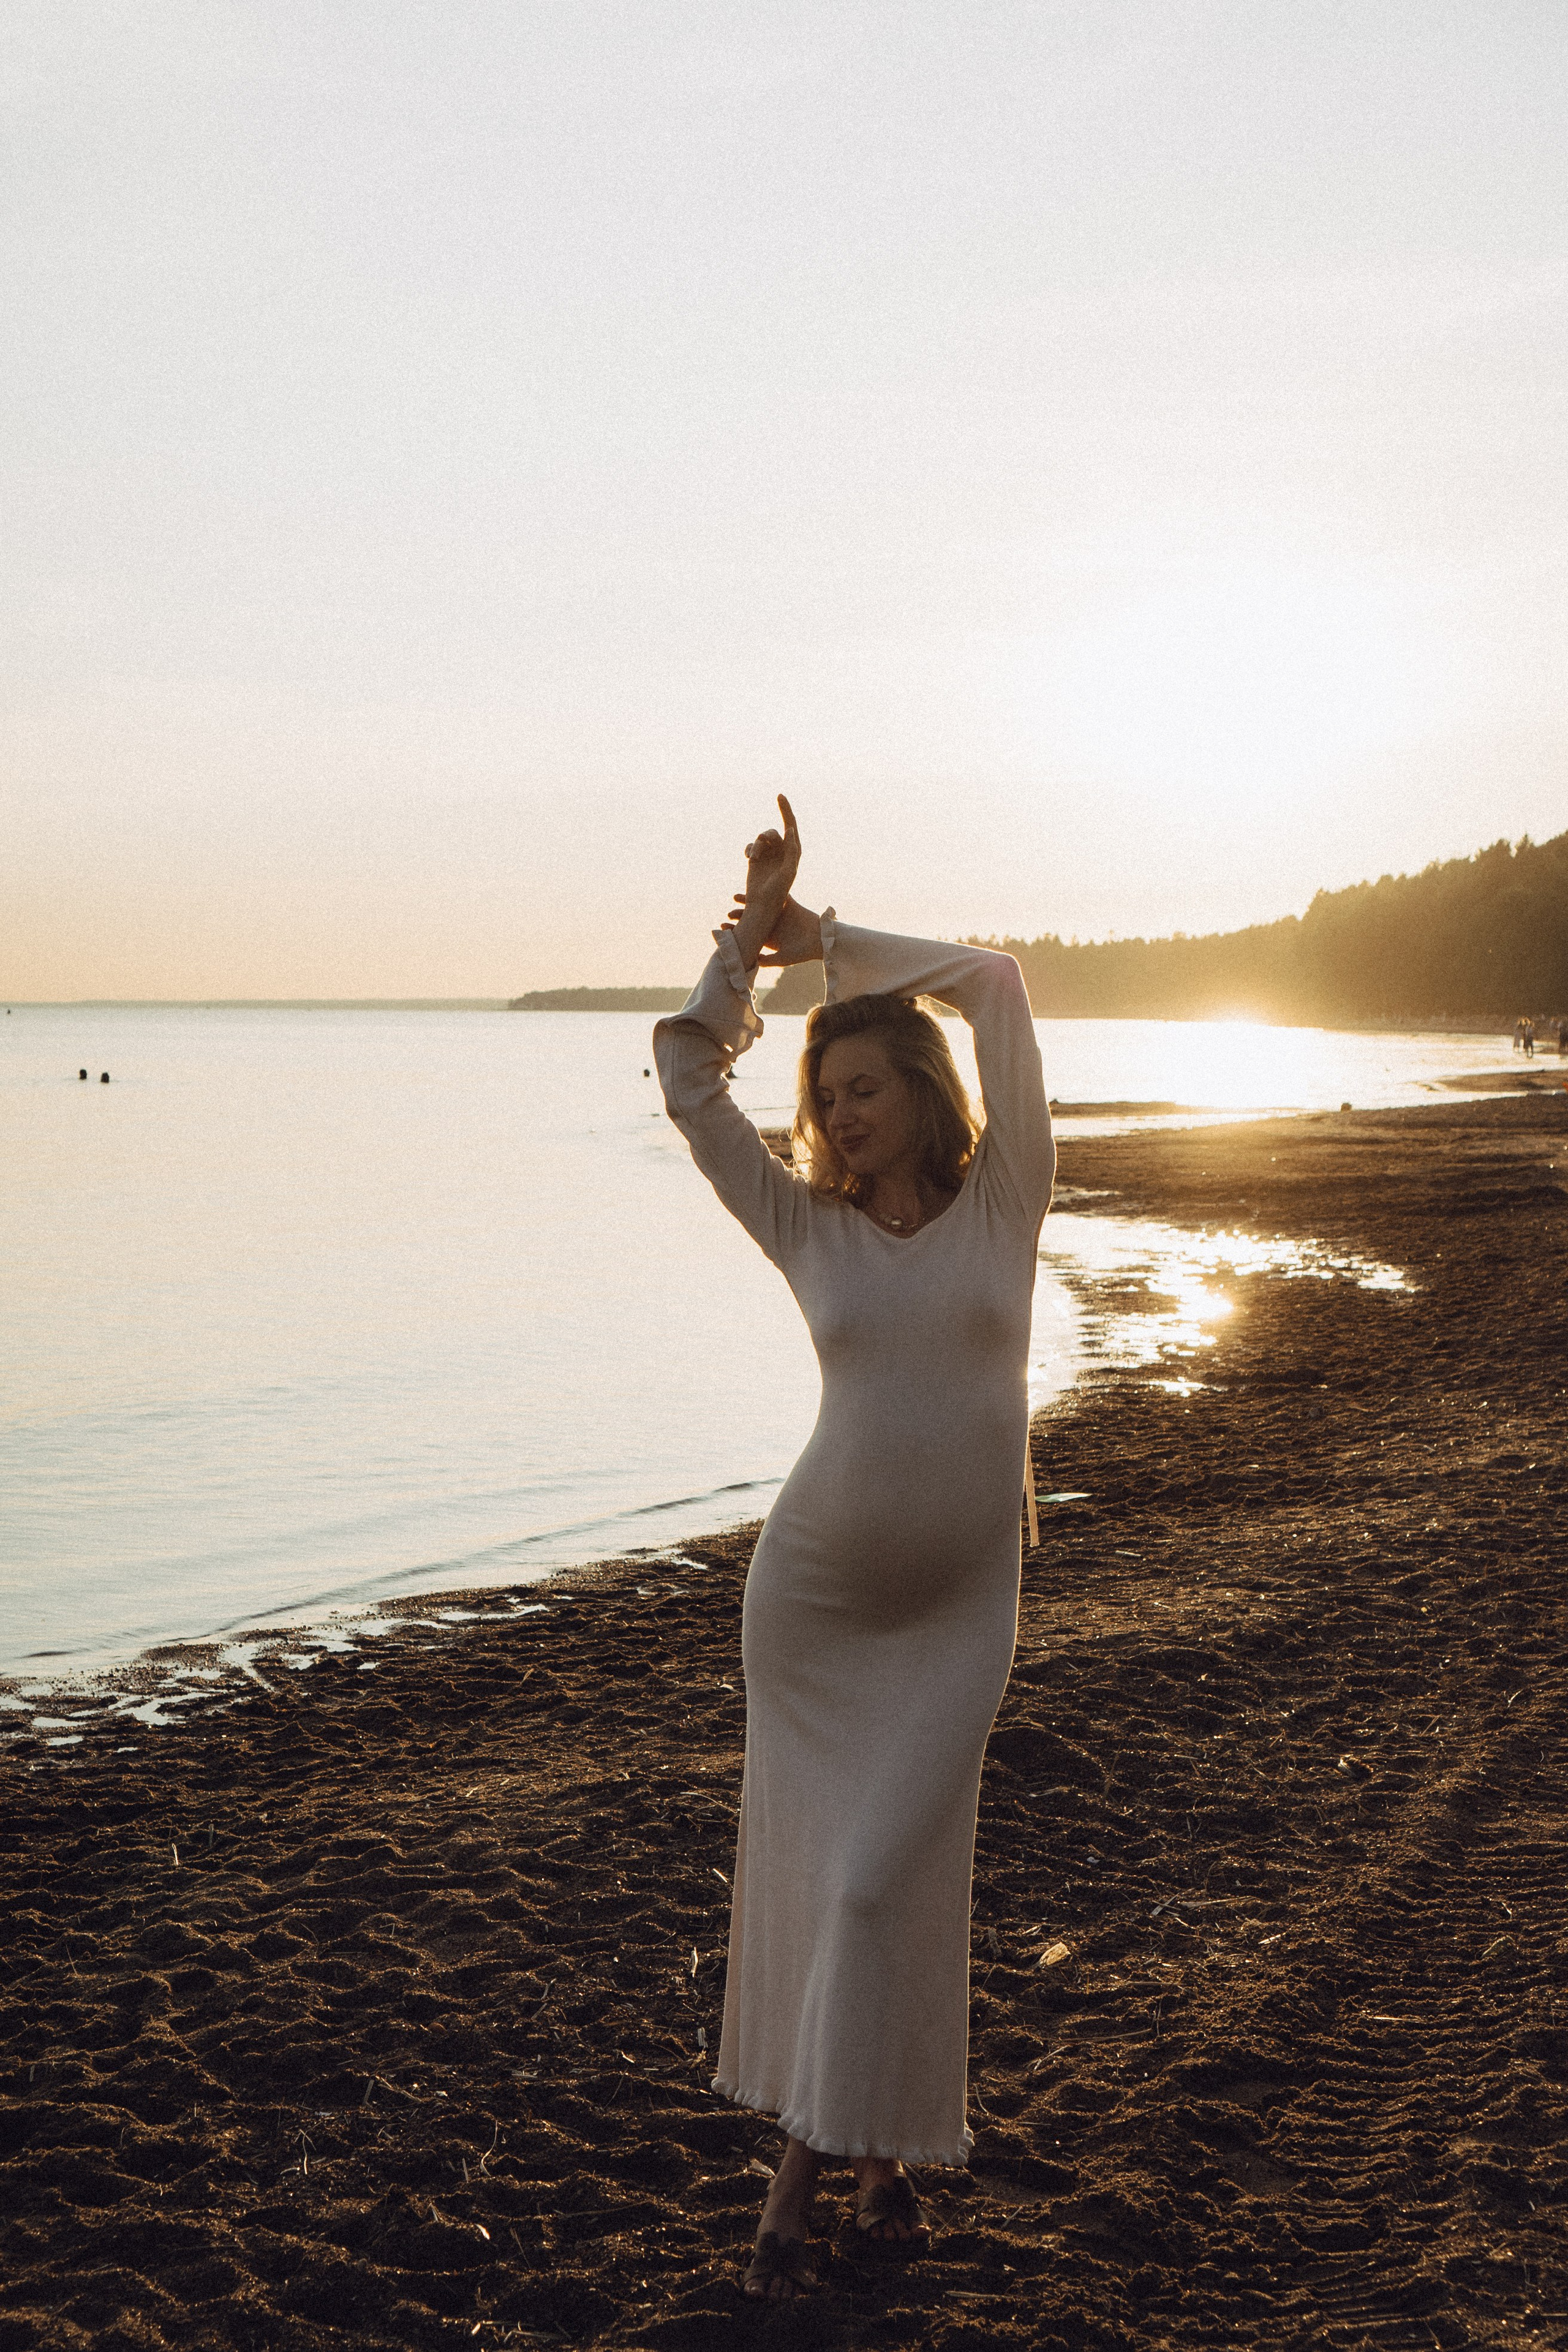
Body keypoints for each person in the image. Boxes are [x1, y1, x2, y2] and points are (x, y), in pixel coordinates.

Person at [654, 797, 1054, 2299]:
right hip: (814, 1610)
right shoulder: (804, 1226)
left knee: (887, 1884)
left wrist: (823, 940)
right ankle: (874, 2171)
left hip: (957, 1614)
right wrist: (737, 949)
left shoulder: (1007, 1205)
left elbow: (998, 983)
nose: (841, 1111)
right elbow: (689, 1079)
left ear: (922, 1091)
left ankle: (794, 2194)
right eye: (828, 1091)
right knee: (842, 1890)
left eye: (865, 1083)